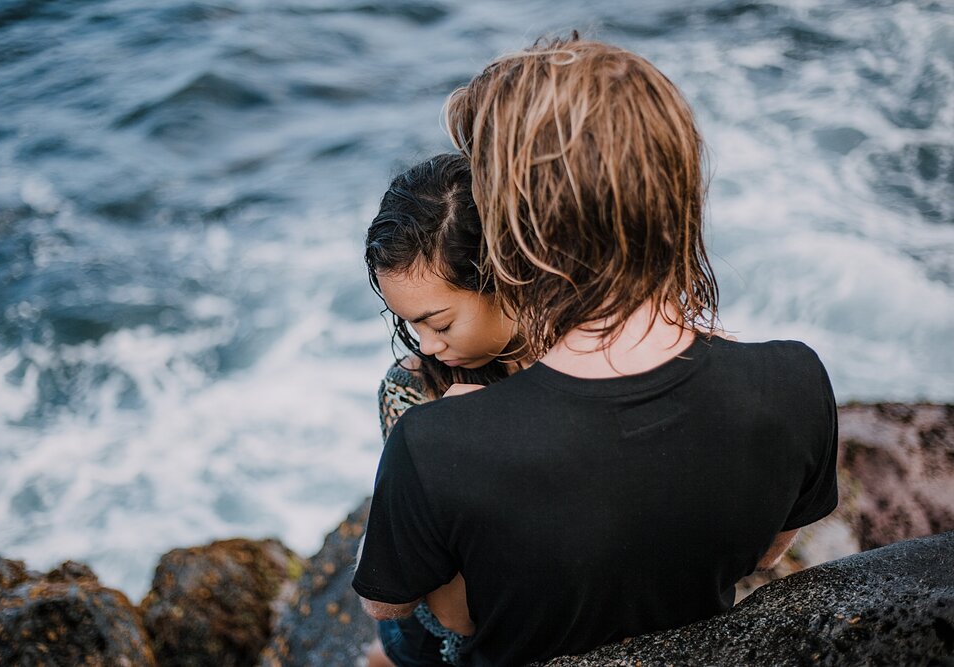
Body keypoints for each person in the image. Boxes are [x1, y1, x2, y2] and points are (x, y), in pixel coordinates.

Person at [353, 36, 838, 667]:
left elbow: (439, 614)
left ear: (523, 243)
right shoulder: (795, 382)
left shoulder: (440, 443)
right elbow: (765, 554)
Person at [364, 153, 525, 666]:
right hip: (445, 625)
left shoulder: (593, 357)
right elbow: (452, 608)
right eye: (411, 325)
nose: (426, 347)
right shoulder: (412, 391)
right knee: (404, 648)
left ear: (506, 276)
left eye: (440, 323)